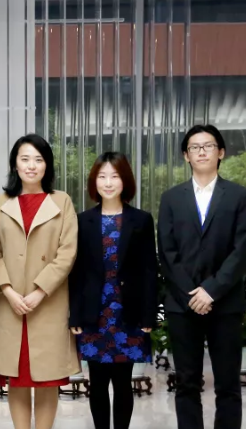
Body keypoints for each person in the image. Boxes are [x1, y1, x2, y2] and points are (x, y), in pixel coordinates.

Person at [0, 134, 79, 429]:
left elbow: (67, 253)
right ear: (15, 165)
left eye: (38, 159)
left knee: (47, 377)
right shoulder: (0, 203)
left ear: (47, 165)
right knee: (17, 377)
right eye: (25, 159)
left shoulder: (61, 201)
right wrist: (9, 292)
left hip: (47, 303)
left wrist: (39, 291)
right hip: (10, 304)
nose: (31, 166)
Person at [158, 125, 246, 429]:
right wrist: (192, 293)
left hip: (225, 303)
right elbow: (167, 252)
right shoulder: (171, 198)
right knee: (186, 382)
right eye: (194, 147)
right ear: (186, 156)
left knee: (228, 384)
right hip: (182, 304)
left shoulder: (239, 196)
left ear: (221, 152)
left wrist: (210, 291)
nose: (201, 152)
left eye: (208, 146)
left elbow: (241, 250)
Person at [68, 152, 157, 429]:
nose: (108, 183)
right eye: (102, 176)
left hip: (128, 313)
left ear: (125, 180)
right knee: (96, 382)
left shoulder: (141, 220)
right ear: (94, 182)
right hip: (94, 313)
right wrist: (75, 316)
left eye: (115, 176)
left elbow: (149, 271)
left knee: (122, 382)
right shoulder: (82, 221)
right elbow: (76, 273)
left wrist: (148, 315)